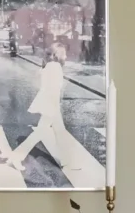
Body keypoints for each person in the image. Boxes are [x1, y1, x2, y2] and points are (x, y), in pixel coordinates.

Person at [5, 40, 84, 174]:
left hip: (51, 105)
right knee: (40, 133)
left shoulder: (48, 66)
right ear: (58, 55)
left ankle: (67, 162)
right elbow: (52, 90)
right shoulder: (55, 67)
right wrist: (54, 107)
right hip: (51, 106)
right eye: (64, 54)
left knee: (60, 133)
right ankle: (17, 156)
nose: (66, 57)